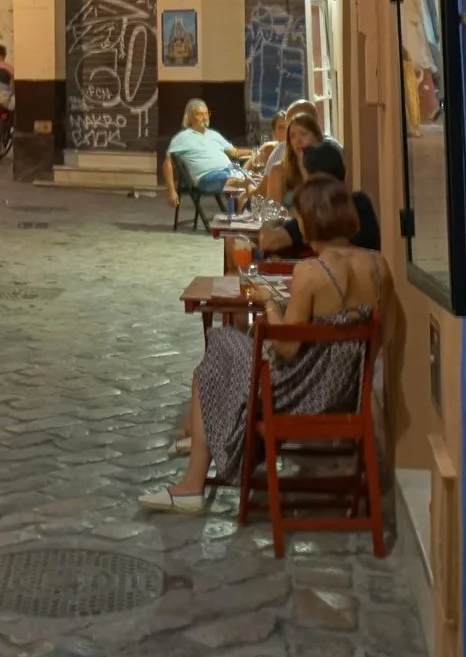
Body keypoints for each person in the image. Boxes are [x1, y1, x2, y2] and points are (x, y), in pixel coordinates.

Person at [141, 176, 383, 513]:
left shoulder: (312, 272)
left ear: (312, 220)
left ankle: (193, 481)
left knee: (219, 343)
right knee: (222, 356)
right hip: (345, 391)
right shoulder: (379, 266)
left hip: (298, 393)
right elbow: (374, 336)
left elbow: (287, 348)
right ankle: (200, 449)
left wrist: (269, 302)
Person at [257, 106, 355, 256]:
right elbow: (273, 214)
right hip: (289, 233)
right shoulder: (279, 170)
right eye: (293, 136)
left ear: (316, 137)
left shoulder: (329, 163)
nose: (298, 141)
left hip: (324, 232)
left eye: (303, 134)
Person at [164, 99, 247, 212]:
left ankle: (242, 214)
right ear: (189, 117)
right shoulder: (182, 138)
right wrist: (171, 191)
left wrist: (257, 151)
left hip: (229, 171)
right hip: (206, 178)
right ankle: (238, 215)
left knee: (253, 177)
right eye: (200, 114)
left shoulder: (214, 134)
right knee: (240, 180)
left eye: (206, 113)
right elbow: (167, 164)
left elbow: (235, 152)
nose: (204, 117)